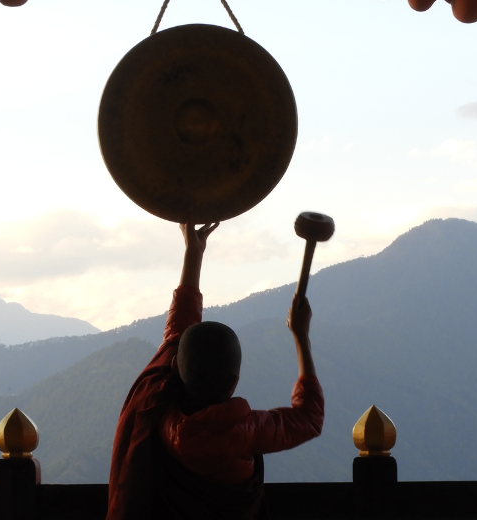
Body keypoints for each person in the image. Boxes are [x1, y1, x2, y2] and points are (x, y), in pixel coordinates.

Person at [107, 222, 324, 520]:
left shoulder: (157, 408)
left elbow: (177, 331)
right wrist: (301, 337)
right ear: (233, 382)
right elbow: (310, 418)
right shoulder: (245, 432)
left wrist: (192, 254)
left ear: (173, 366)